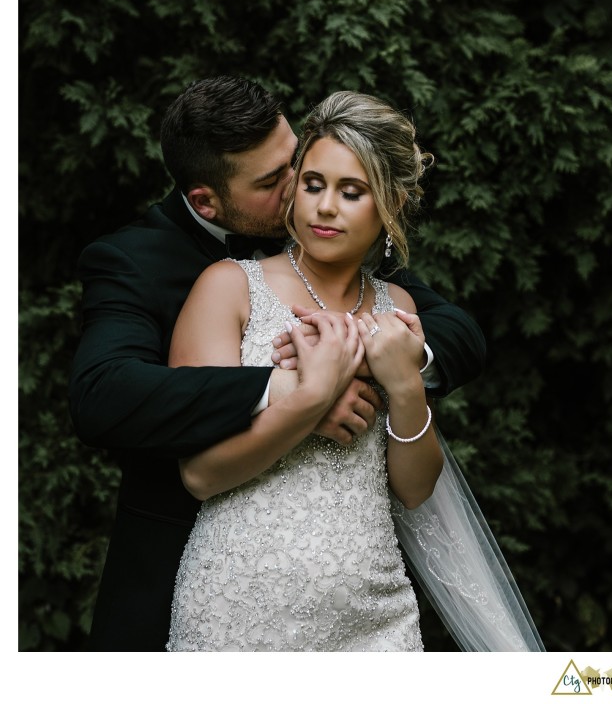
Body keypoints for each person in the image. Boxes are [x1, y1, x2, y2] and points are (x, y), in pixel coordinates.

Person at [70, 76, 487, 652]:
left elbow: (456, 332)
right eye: (280, 180)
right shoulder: (143, 263)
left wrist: (386, 365)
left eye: (299, 163)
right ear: (206, 201)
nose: (304, 191)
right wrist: (297, 389)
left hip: (368, 600)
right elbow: (103, 395)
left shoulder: (351, 256)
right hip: (209, 578)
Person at [165, 90, 544, 652]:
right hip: (235, 605)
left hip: (375, 616)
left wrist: (404, 382)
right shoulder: (229, 287)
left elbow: (414, 491)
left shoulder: (402, 314)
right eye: (313, 184)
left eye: (352, 192)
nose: (324, 207)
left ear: (389, 205)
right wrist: (314, 395)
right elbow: (199, 474)